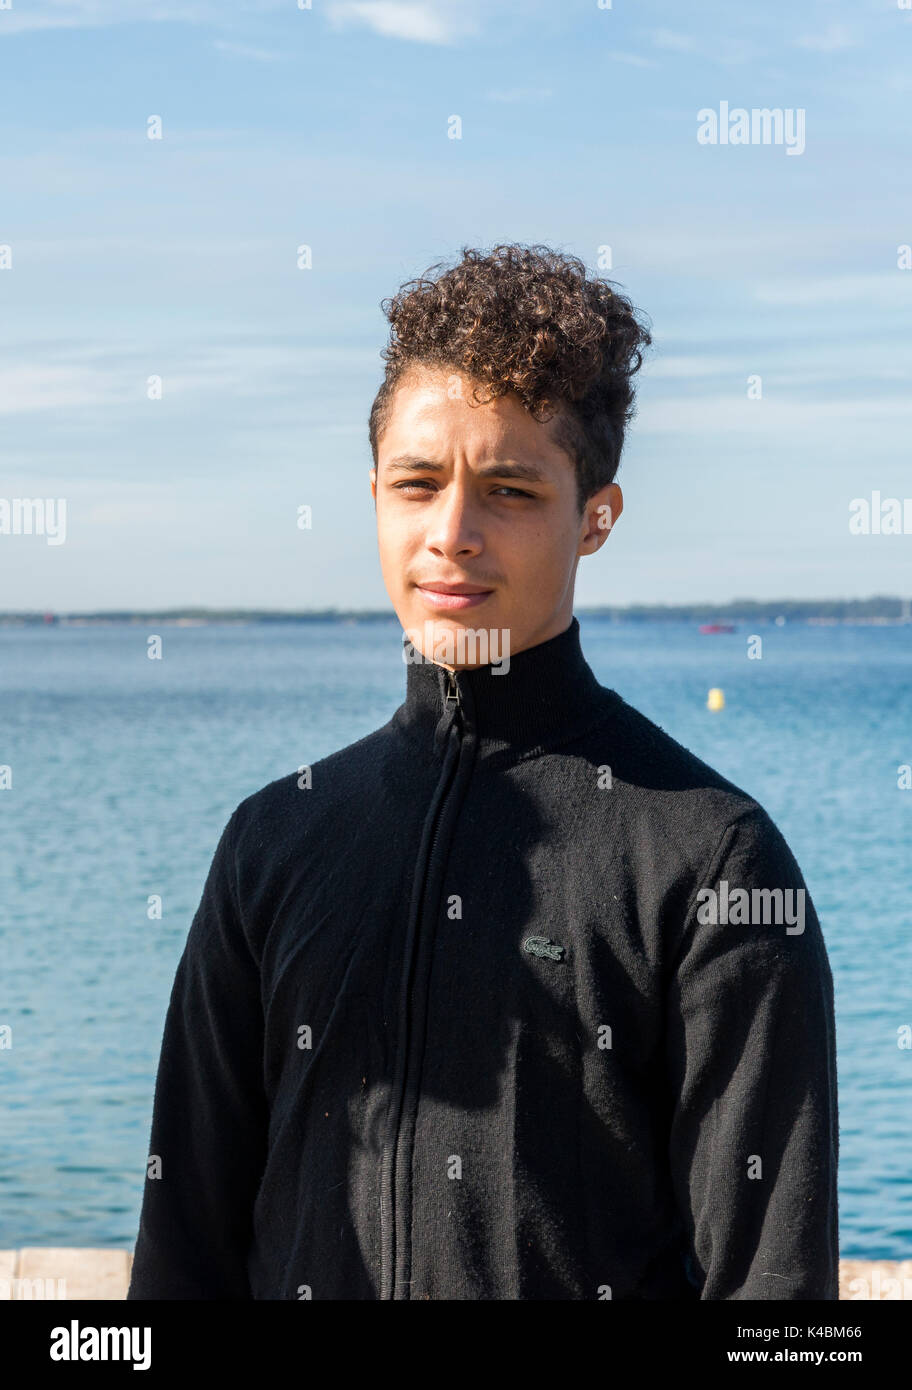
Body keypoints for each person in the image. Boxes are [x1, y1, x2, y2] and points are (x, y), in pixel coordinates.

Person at [127, 243, 839, 1300]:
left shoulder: (708, 856)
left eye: (509, 490)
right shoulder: (274, 839)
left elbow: (776, 1296)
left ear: (595, 517)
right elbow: (183, 1240)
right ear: (374, 495)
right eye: (417, 484)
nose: (451, 534)